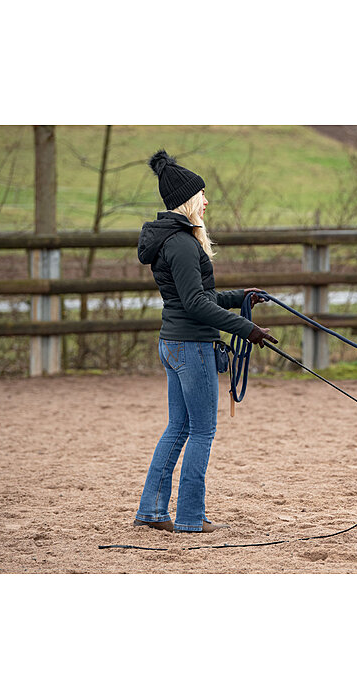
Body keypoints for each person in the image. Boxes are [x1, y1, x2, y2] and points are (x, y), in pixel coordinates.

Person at [133, 150, 277, 533]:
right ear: (188, 200)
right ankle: (190, 517)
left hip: (175, 342)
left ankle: (152, 510)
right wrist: (248, 330)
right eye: (202, 195)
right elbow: (196, 304)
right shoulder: (181, 244)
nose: (207, 201)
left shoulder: (172, 241)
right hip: (191, 346)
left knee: (178, 427)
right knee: (201, 431)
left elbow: (194, 296)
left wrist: (240, 297)